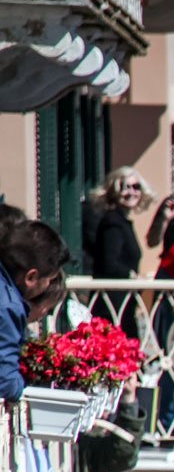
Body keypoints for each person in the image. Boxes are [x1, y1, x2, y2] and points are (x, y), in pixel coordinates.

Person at [0, 216, 70, 400]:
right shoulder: (8, 307)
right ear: (31, 277)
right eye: (48, 279)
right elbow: (5, 381)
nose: (47, 285)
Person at [84, 167, 153, 279]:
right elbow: (109, 264)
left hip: (124, 293)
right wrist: (133, 276)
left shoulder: (122, 221)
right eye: (124, 187)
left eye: (136, 187)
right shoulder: (112, 222)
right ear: (113, 191)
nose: (131, 192)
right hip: (113, 294)